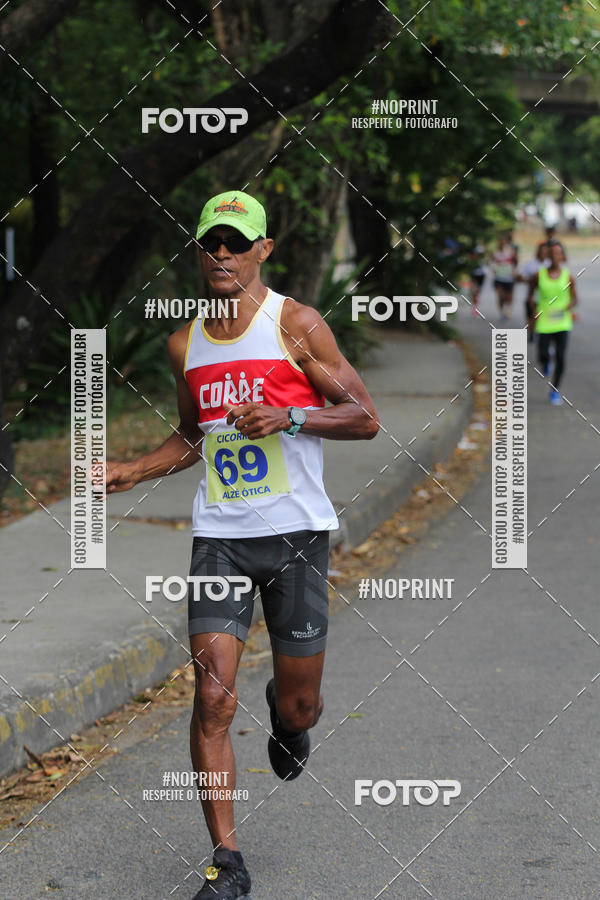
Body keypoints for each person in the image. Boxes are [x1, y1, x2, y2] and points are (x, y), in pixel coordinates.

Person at [105, 190, 379, 898]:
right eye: (210, 243)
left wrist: (289, 417)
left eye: (237, 242)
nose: (222, 253)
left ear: (263, 250)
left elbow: (364, 417)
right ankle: (227, 864)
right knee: (212, 700)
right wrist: (133, 469)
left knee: (299, 706)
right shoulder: (183, 342)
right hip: (220, 538)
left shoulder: (297, 326)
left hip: (295, 537)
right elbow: (193, 435)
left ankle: (291, 724)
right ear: (199, 252)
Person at [527, 239, 577, 405]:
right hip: (544, 321)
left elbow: (575, 299)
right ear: (547, 255)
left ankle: (555, 390)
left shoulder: (568, 276)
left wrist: (571, 305)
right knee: (542, 353)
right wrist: (534, 309)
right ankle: (546, 360)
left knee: (561, 358)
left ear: (562, 256)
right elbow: (529, 296)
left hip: (563, 322)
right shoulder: (538, 275)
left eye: (558, 253)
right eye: (552, 253)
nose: (555, 256)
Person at [518, 242, 550, 341]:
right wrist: (530, 280)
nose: (543, 254)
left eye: (545, 252)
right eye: (541, 251)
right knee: (531, 317)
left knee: (541, 317)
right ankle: (531, 332)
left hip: (545, 297)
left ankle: (540, 332)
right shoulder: (530, 264)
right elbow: (521, 277)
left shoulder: (549, 264)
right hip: (532, 296)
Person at [491, 231, 518, 320]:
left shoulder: (511, 251)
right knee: (500, 296)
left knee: (509, 297)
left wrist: (514, 271)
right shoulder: (495, 252)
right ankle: (502, 312)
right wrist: (493, 269)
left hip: (509, 277)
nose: (502, 242)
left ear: (506, 241)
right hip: (499, 277)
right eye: (500, 240)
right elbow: (492, 262)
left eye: (503, 240)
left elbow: (516, 261)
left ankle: (507, 309)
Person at [468, 243, 487, 314]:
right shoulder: (472, 259)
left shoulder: (483, 259)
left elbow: (485, 269)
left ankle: (475, 306)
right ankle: (474, 307)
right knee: (474, 291)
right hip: (473, 275)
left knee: (477, 292)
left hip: (481, 276)